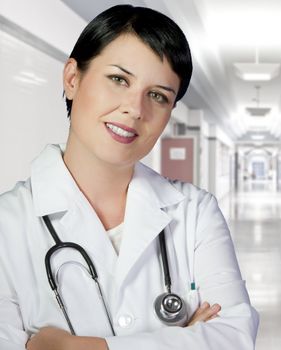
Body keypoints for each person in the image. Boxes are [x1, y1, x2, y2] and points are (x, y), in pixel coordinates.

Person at [0, 4, 258, 350]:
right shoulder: (7, 224)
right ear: (72, 78)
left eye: (157, 96)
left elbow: (234, 338)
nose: (136, 109)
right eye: (119, 79)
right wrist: (184, 338)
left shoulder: (196, 212)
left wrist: (70, 346)